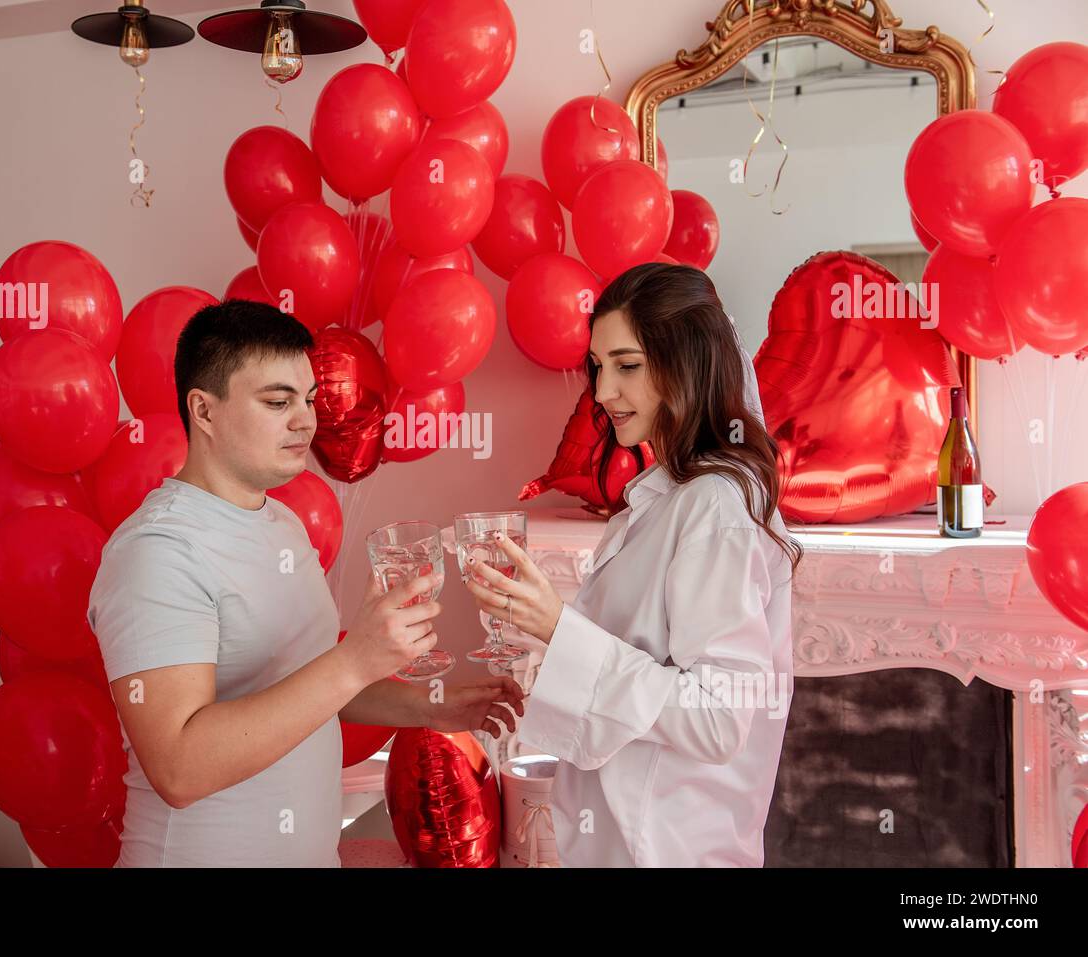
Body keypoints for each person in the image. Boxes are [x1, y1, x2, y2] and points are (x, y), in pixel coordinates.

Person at [88, 299, 524, 867]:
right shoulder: (158, 551)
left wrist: (430, 709)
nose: (306, 420)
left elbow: (308, 689)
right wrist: (356, 659)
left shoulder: (281, 521)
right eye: (277, 401)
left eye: (310, 399)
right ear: (204, 410)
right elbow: (179, 767)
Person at [463, 263, 802, 867]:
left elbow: (719, 719)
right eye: (598, 367)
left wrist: (558, 628)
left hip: (667, 846)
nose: (601, 392)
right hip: (625, 837)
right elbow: (636, 661)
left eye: (627, 365)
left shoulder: (713, 504)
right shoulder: (660, 498)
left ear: (686, 363)